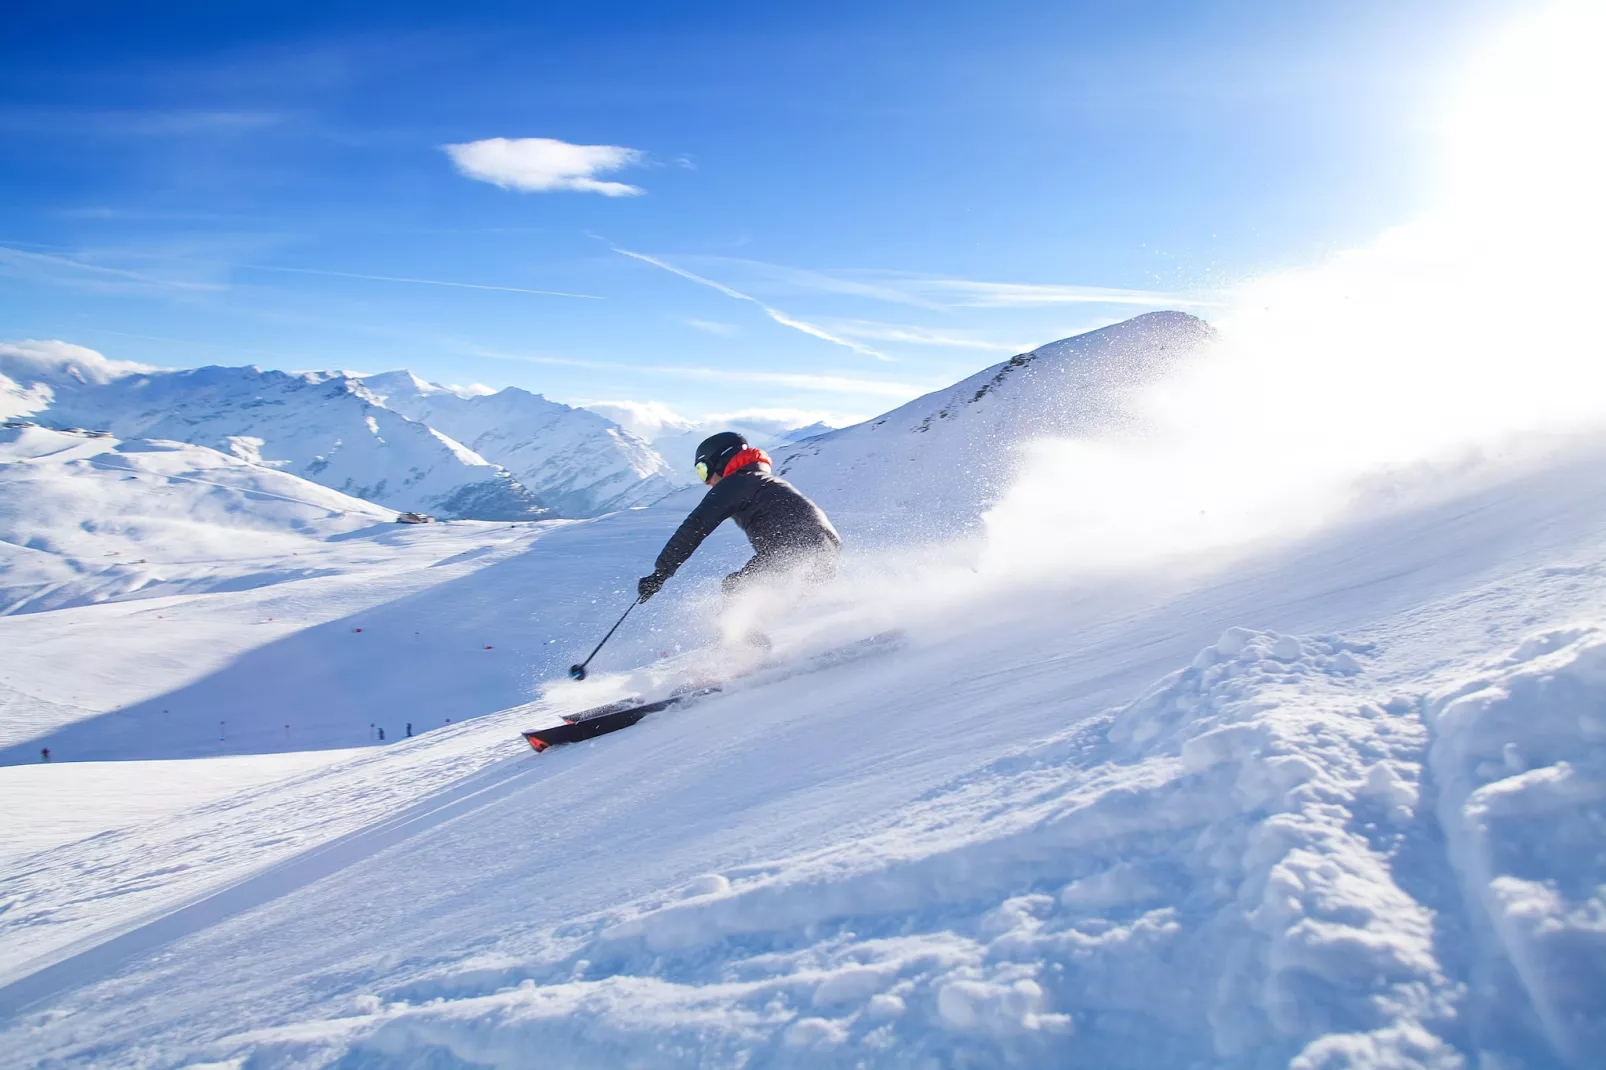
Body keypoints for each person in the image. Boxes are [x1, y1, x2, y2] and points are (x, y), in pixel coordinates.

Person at [638, 432, 841, 608]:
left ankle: (741, 648)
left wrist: (661, 573)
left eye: (703, 470)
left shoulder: (737, 482)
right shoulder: (761, 480)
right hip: (825, 548)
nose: (707, 481)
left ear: (720, 462)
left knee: (737, 590)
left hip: (794, 549)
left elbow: (697, 525)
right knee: (779, 597)